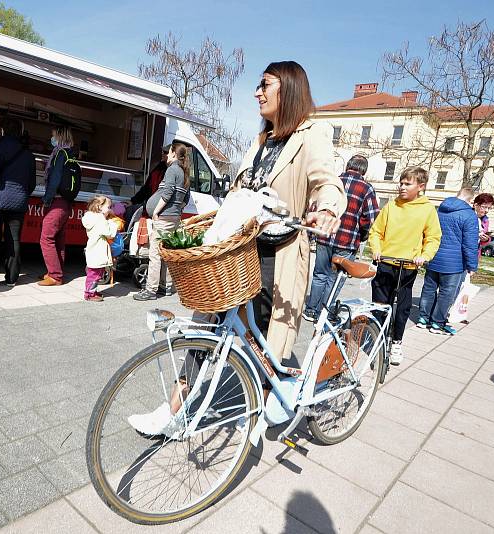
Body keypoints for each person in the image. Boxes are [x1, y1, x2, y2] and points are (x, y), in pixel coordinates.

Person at [128, 61, 347, 436]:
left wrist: (327, 208)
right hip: (240, 249)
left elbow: (328, 180)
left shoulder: (312, 135)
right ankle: (174, 408)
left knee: (265, 335)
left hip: (280, 253)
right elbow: (241, 190)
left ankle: (262, 408)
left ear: (289, 89)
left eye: (265, 85)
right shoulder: (262, 141)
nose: (257, 92)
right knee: (207, 318)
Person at [368, 167, 442, 365]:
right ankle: (378, 339)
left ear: (420, 187)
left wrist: (424, 256)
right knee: (379, 305)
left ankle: (397, 342)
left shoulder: (427, 209)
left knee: (402, 308)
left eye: (407, 183)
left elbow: (433, 238)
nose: (402, 186)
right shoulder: (391, 206)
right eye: (401, 182)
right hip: (385, 262)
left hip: (408, 267)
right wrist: (376, 249)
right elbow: (376, 232)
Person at [303, 154, 378, 321]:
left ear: (347, 166)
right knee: (334, 278)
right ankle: (324, 313)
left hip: (325, 235)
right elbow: (372, 217)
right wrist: (362, 231)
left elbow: (315, 206)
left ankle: (310, 310)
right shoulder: (366, 188)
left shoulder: (332, 183)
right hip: (347, 241)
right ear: (364, 170)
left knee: (319, 275)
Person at [0, 118, 37, 287]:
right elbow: (31, 183)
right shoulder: (29, 155)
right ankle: (11, 278)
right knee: (14, 240)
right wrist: (22, 194)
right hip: (19, 201)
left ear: (3, 131)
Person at [133, 142, 192, 301]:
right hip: (173, 218)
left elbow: (167, 193)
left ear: (173, 153)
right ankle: (165, 286)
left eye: (169, 152)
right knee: (166, 253)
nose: (166, 156)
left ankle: (150, 290)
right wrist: (177, 210)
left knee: (155, 254)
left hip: (164, 218)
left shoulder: (172, 170)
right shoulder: (184, 172)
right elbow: (185, 198)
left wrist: (156, 211)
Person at [416, 187, 478, 335]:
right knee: (446, 293)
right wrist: (472, 265)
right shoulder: (469, 215)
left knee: (429, 288)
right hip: (454, 262)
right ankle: (437, 323)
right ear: (470, 201)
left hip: (434, 256)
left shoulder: (441, 209)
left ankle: (423, 318)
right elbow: (469, 244)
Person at [38, 126, 74, 286]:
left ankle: (55, 275)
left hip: (57, 202)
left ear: (59, 136)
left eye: (52, 135)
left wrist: (46, 200)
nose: (51, 138)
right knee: (58, 238)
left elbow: (55, 179)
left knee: (46, 238)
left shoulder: (60, 154)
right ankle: (55, 271)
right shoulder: (70, 153)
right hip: (66, 203)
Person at [81, 195, 119, 302]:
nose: (110, 209)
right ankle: (89, 294)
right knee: (95, 274)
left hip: (93, 249)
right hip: (98, 250)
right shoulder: (100, 219)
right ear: (99, 207)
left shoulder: (91, 217)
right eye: (108, 207)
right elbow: (109, 233)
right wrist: (113, 223)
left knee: (94, 272)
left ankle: (92, 291)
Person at [473, 193, 494, 261]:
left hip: (475, 255)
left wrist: (486, 239)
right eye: (484, 207)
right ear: (476, 205)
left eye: (489, 208)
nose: (487, 211)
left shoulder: (485, 221)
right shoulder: (467, 217)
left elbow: (481, 242)